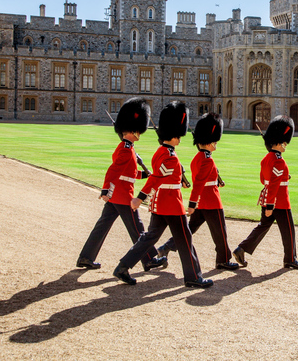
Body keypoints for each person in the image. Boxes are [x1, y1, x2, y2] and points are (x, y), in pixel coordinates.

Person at [113, 101, 212, 288]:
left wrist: (179, 179)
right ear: (175, 135)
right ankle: (193, 277)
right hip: (171, 205)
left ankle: (123, 266)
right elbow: (156, 178)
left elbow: (163, 176)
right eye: (179, 136)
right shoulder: (170, 156)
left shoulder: (162, 152)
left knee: (149, 238)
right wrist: (139, 197)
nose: (180, 139)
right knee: (185, 239)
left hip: (160, 204)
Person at [77, 97, 166, 272]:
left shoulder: (126, 147)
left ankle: (86, 257)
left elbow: (127, 173)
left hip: (117, 196)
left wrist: (144, 174)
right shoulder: (126, 149)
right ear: (133, 130)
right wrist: (105, 189)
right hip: (123, 196)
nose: (140, 134)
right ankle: (149, 259)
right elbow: (114, 170)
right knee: (138, 228)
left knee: (101, 227)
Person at [157, 112, 239, 270]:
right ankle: (223, 260)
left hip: (202, 202)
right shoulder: (207, 159)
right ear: (209, 142)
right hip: (211, 201)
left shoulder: (198, 157)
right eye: (214, 141)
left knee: (189, 230)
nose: (215, 143)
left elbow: (203, 179)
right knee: (220, 233)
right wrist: (192, 203)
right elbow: (200, 183)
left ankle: (166, 247)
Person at [232, 115, 298, 270]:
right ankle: (290, 259)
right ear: (278, 143)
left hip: (267, 199)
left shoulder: (266, 158)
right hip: (279, 202)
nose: (286, 145)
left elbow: (264, 179)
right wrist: (271, 206)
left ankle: (242, 248)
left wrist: (269, 202)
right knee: (289, 231)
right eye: (284, 142)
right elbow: (273, 184)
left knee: (262, 227)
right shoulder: (279, 160)